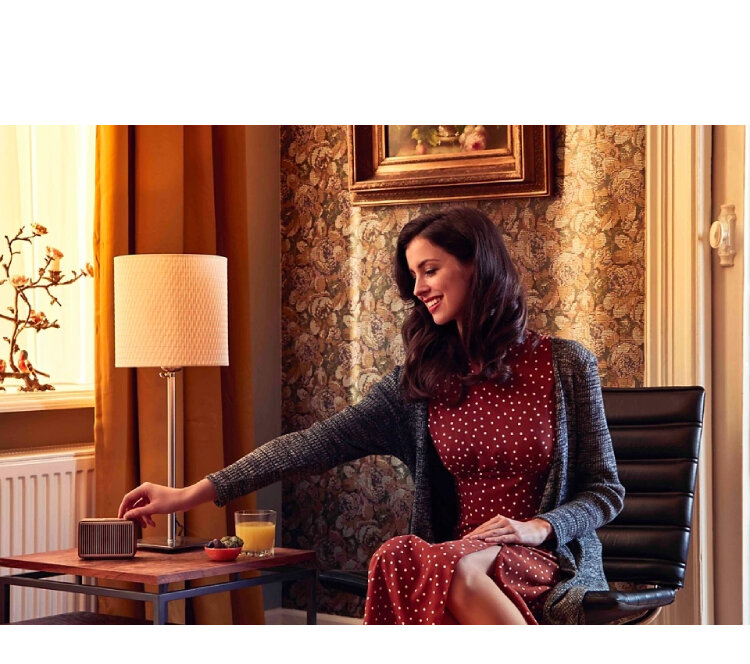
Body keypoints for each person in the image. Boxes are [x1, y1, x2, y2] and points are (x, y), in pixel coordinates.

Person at [119, 206, 625, 625]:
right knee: (403, 555)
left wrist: (539, 526)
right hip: (452, 555)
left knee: (447, 569)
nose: (418, 288)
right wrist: (190, 493)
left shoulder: (564, 365)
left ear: (477, 265)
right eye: (413, 276)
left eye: (430, 269)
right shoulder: (420, 384)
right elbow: (312, 444)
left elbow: (605, 490)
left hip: (546, 557)